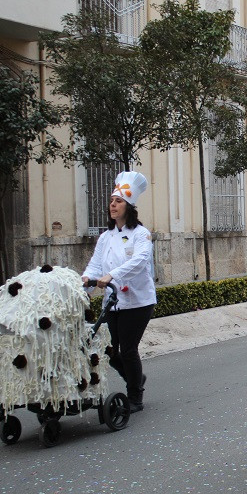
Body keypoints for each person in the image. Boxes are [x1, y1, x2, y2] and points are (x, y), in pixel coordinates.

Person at [82, 171, 157, 413]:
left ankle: (135, 396)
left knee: (128, 349)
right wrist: (86, 280)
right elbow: (95, 264)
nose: (113, 205)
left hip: (138, 302)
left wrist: (112, 275)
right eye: (112, 201)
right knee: (108, 349)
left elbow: (140, 260)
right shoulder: (105, 237)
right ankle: (135, 378)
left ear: (129, 207)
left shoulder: (141, 235)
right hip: (113, 302)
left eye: (119, 201)